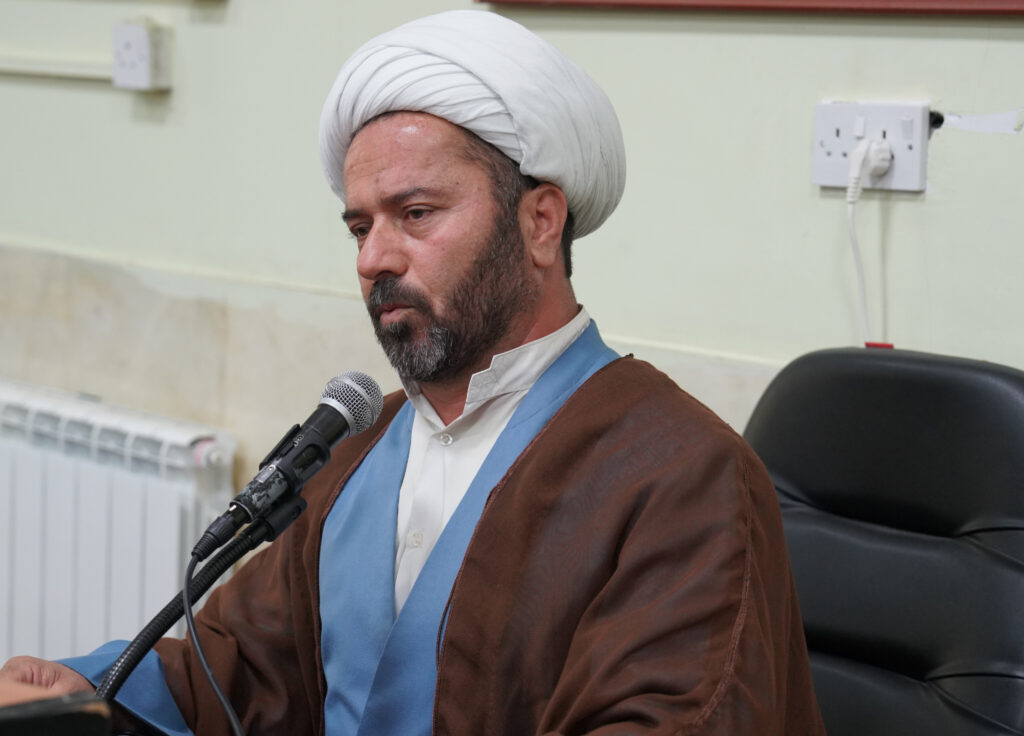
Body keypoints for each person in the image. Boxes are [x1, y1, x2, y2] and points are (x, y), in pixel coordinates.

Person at [0, 10, 826, 735]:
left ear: (541, 222)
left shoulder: (682, 477)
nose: (374, 258)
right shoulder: (362, 449)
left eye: (416, 214)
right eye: (360, 226)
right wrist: (86, 690)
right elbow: (244, 670)